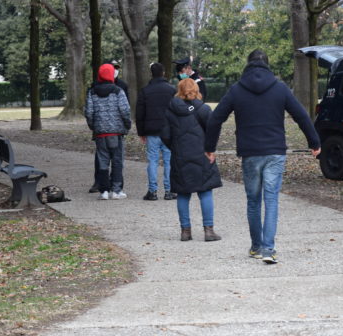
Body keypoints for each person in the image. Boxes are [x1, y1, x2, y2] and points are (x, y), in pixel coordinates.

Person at [204, 49, 321, 264]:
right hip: (275, 151)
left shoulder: (237, 90)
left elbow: (215, 119)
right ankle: (269, 249)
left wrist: (210, 147)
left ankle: (256, 246)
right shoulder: (280, 88)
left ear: (248, 65)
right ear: (267, 65)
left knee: (253, 201)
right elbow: (301, 115)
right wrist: (314, 142)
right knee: (271, 200)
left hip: (250, 152)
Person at [161, 78, 222, 241]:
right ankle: (208, 230)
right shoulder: (203, 109)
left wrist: (175, 147)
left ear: (179, 90)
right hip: (201, 154)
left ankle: (185, 231)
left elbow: (165, 135)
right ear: (196, 89)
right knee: (205, 191)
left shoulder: (170, 110)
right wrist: (210, 150)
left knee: (182, 193)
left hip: (180, 155)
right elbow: (212, 131)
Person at [84, 63, 132, 200]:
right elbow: (125, 111)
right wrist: (127, 126)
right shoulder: (118, 91)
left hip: (100, 133)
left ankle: (104, 191)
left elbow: (88, 112)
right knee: (117, 161)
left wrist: (94, 127)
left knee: (103, 161)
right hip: (116, 133)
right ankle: (116, 190)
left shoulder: (92, 92)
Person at [136, 62, 176, 200]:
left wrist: (141, 132)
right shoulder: (172, 90)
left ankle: (152, 191)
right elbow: (176, 111)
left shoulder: (145, 91)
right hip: (168, 131)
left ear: (151, 74)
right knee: (169, 161)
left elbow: (140, 114)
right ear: (163, 73)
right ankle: (169, 190)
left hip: (151, 131)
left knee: (152, 161)